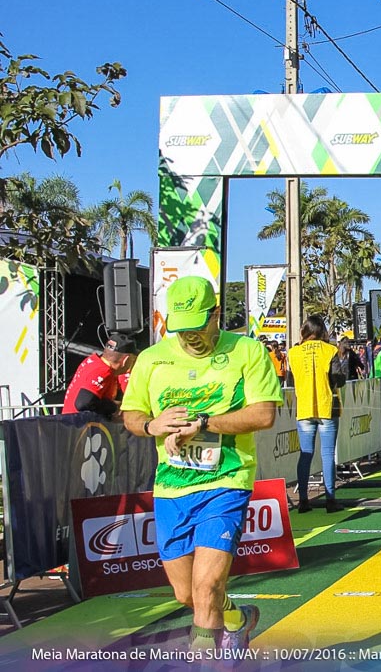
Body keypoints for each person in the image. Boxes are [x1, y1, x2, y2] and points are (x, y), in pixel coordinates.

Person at [121, 276, 281, 653]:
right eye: (180, 328)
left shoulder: (246, 351)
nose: (189, 337)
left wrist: (206, 423)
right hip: (171, 488)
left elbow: (264, 415)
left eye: (196, 327)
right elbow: (131, 414)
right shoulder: (151, 359)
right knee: (186, 594)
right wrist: (150, 425)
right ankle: (239, 619)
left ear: (216, 315)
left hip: (226, 480)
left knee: (206, 586)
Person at [288, 316, 345, 514]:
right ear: (322, 331)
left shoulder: (292, 353)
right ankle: (330, 500)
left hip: (304, 408)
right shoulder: (330, 350)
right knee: (328, 453)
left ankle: (303, 500)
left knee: (306, 454)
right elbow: (339, 379)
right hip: (327, 406)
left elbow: (290, 379)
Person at [63, 332, 136, 416]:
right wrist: (114, 407)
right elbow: (83, 403)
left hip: (69, 423)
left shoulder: (93, 361)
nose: (133, 363)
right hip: (79, 426)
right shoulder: (103, 371)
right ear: (125, 360)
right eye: (132, 359)